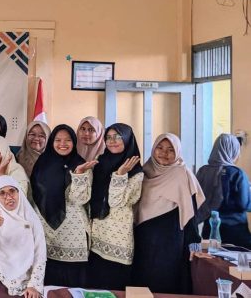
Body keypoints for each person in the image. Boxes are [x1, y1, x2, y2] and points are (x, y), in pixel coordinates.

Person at [133, 133, 204, 294]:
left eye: (171, 149)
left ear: (177, 152)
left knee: (165, 281)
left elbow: (191, 213)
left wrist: (194, 242)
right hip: (143, 236)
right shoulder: (144, 171)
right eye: (160, 147)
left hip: (169, 240)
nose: (164, 153)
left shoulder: (181, 174)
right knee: (141, 282)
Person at [30, 124, 96, 287]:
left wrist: (78, 175)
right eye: (58, 140)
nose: (62, 144)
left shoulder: (81, 165)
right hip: (45, 230)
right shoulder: (42, 163)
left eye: (67, 140)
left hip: (73, 236)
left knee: (72, 286)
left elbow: (79, 199)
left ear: (74, 142)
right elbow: (34, 196)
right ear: (52, 141)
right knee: (48, 283)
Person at [86, 123, 142, 290]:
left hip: (117, 239)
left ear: (127, 139)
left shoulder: (136, 171)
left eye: (117, 137)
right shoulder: (100, 161)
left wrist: (120, 175)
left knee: (113, 287)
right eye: (108, 137)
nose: (112, 141)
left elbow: (116, 202)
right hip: (96, 235)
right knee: (94, 288)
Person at [0, 176, 46, 298]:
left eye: (12, 191)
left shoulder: (30, 216)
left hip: (23, 277)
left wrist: (34, 284)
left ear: (19, 192)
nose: (8, 197)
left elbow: (40, 253)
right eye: (2, 193)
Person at [196, 133, 251, 247]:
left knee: (211, 258)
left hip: (209, 229)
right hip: (235, 231)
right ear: (233, 151)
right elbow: (244, 204)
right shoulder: (237, 174)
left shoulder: (202, 171)